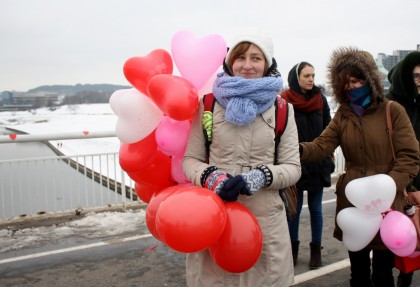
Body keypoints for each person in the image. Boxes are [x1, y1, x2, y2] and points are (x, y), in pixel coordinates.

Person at [182, 28, 301, 287]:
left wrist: (262, 176)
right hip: (214, 219)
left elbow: (292, 167)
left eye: (256, 58)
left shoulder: (283, 109)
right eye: (241, 57)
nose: (247, 65)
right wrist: (211, 176)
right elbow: (189, 160)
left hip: (265, 224)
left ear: (268, 64)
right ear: (229, 62)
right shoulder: (208, 105)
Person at [299, 47, 419, 287]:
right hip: (354, 204)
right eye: (345, 82)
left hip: (387, 206)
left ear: (370, 79)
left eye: (356, 80)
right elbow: (322, 145)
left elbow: (410, 155)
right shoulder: (343, 114)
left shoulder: (392, 110)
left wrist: (388, 186)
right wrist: (293, 149)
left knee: (383, 275)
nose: (350, 86)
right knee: (359, 274)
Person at [281, 62, 333, 269]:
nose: (311, 79)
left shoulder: (320, 99)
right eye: (306, 75)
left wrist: (328, 154)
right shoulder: (284, 101)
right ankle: (292, 250)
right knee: (294, 210)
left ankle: (315, 251)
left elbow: (329, 127)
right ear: (297, 77)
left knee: (315, 208)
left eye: (313, 75)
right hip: (294, 161)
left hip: (318, 161)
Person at [387, 50, 420, 287]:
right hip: (403, 183)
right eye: (416, 76)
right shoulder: (394, 106)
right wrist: (407, 184)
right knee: (402, 238)